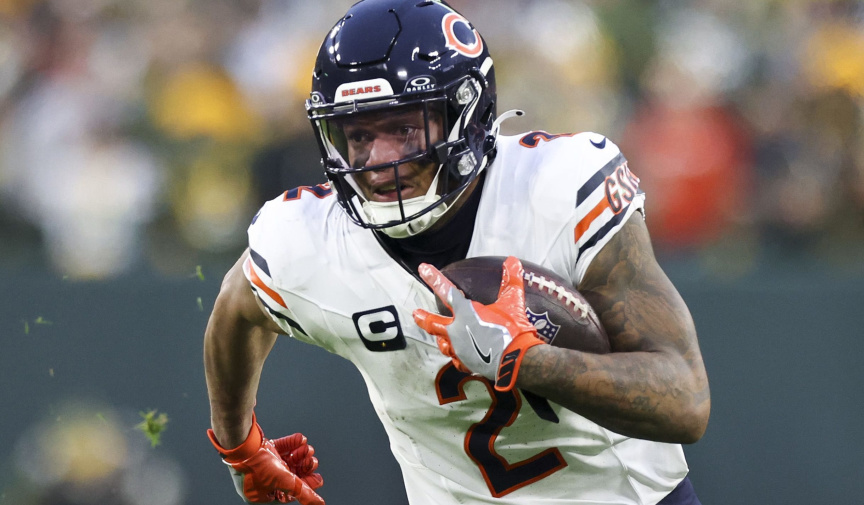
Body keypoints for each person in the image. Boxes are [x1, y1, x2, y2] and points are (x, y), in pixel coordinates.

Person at [203, 0, 711, 504]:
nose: (378, 163)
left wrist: (527, 362)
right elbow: (234, 308)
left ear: (466, 114)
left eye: (403, 129)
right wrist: (241, 448)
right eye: (358, 135)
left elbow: (685, 401)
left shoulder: (557, 189)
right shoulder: (308, 241)